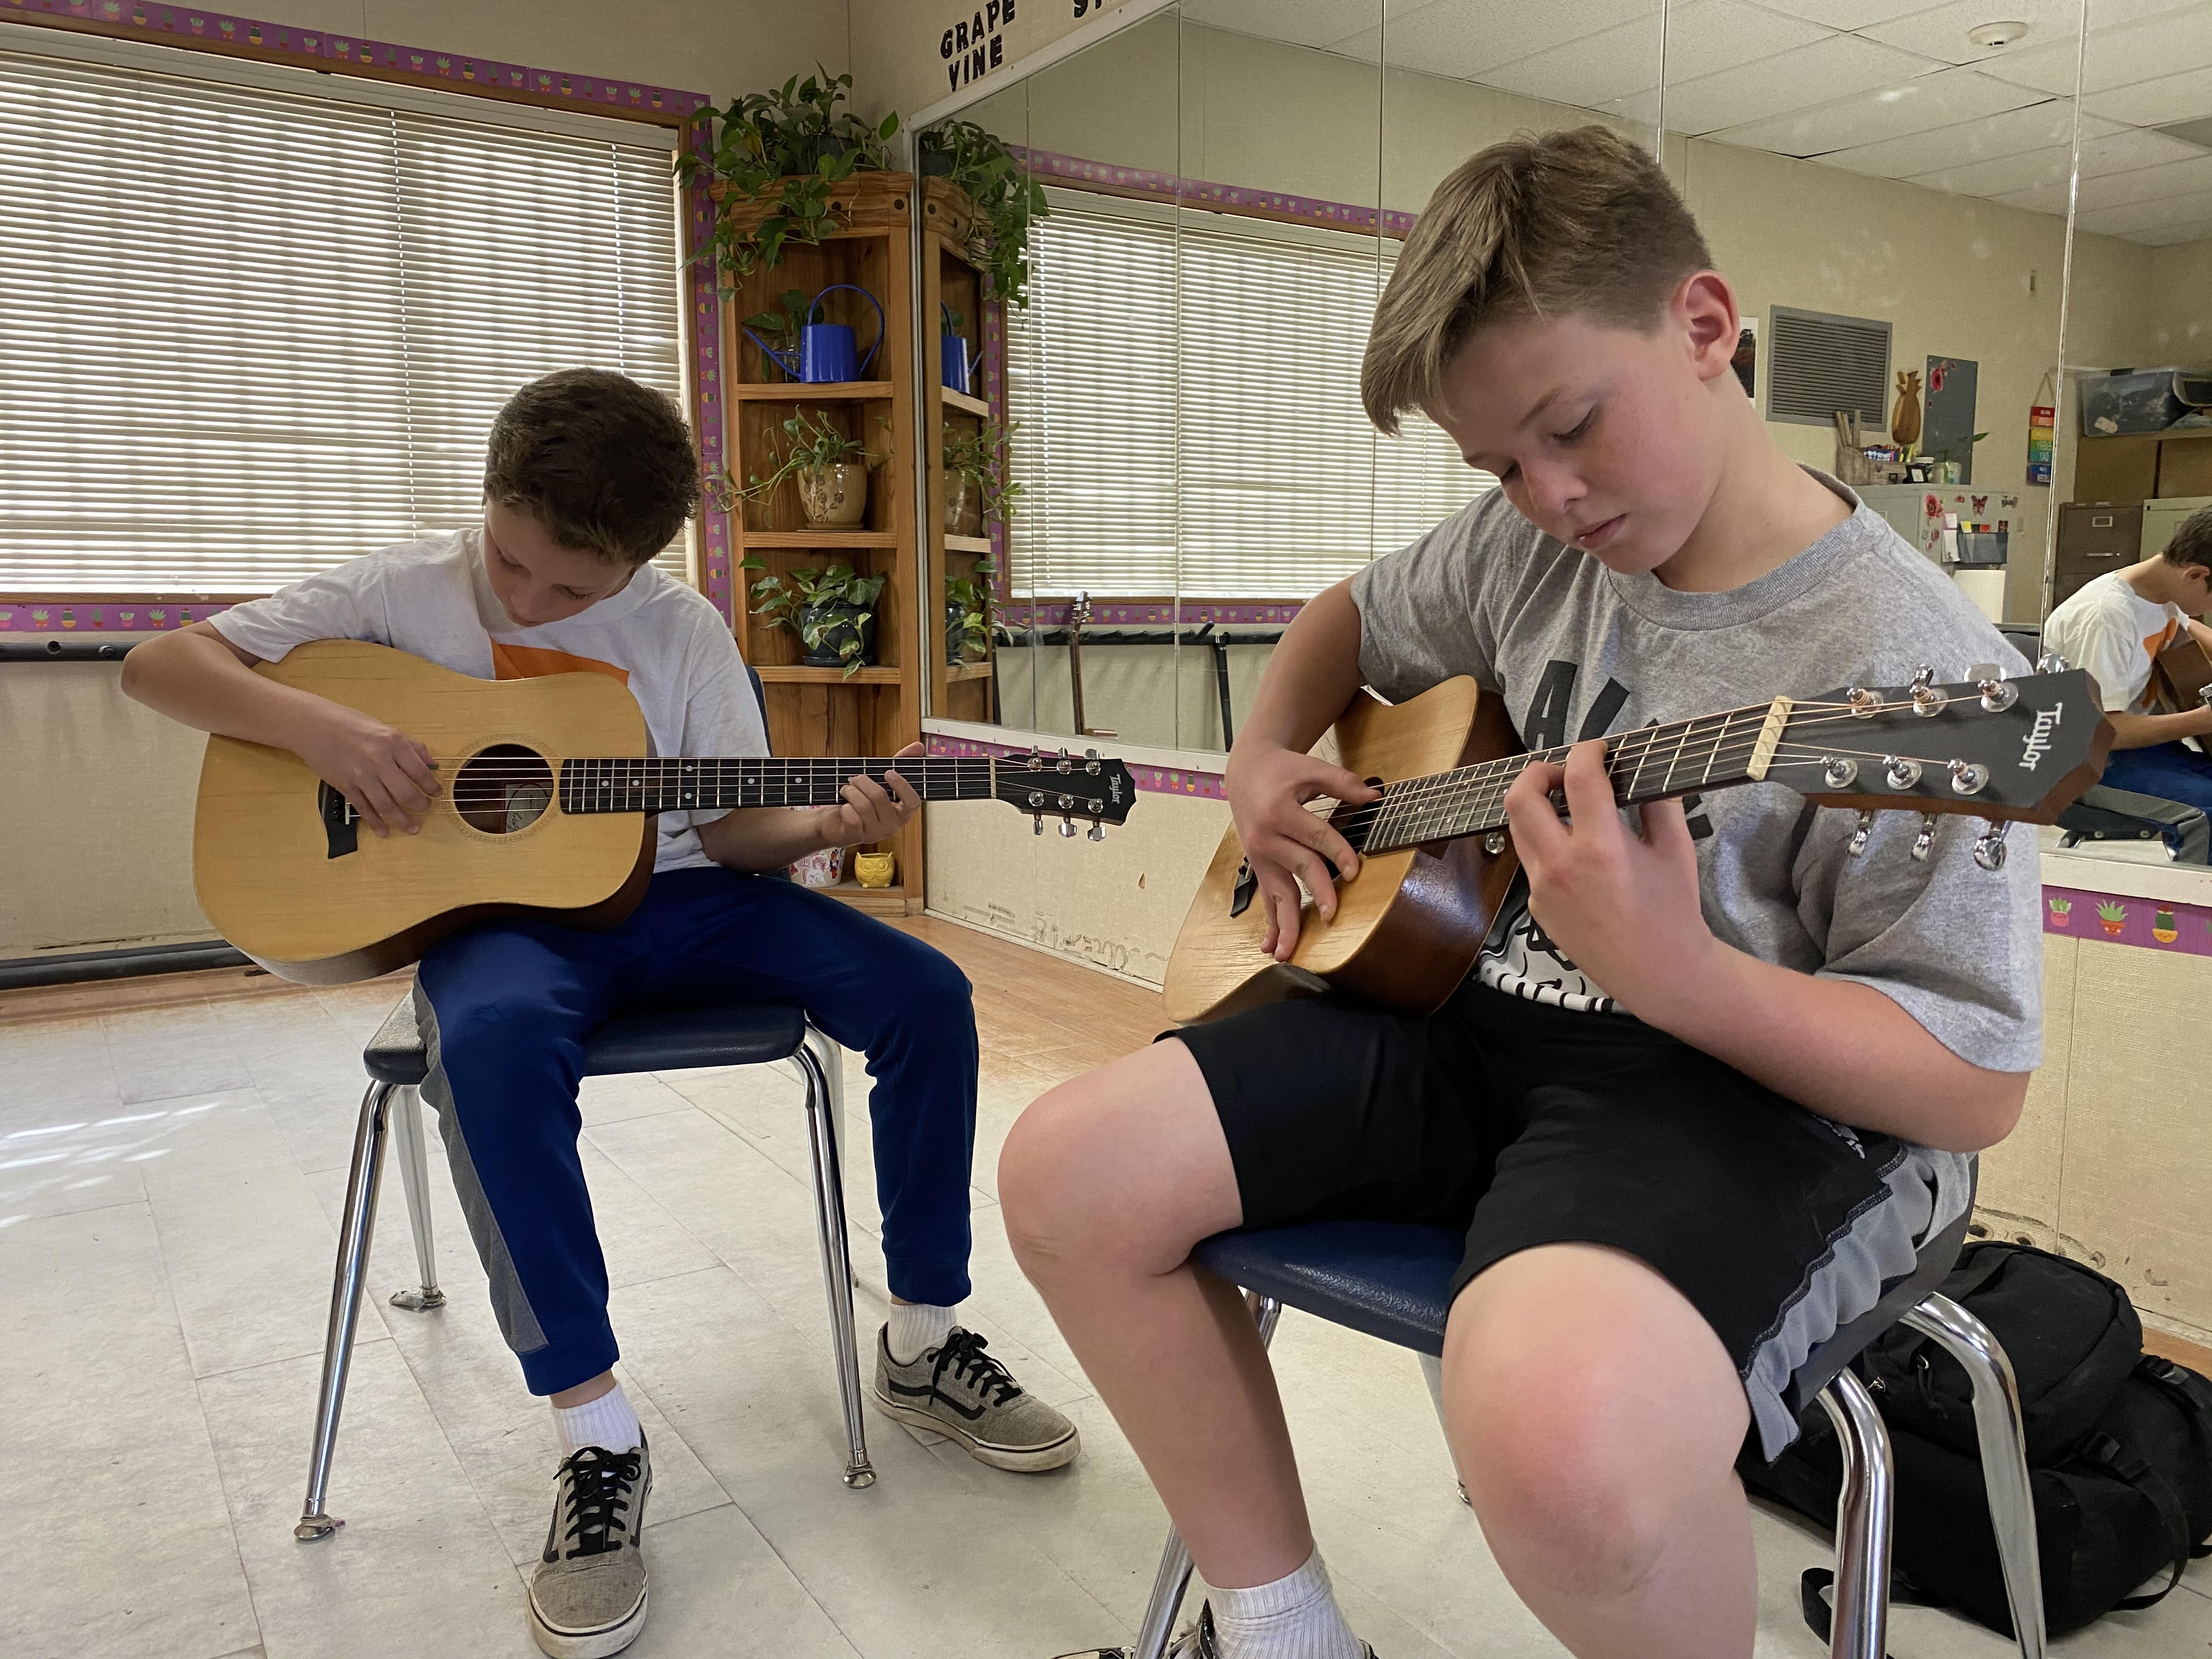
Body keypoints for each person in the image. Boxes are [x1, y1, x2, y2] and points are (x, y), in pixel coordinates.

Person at [1000, 128, 2041, 1659]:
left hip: (1751, 1091)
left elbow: (1973, 1087)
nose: (1546, 497)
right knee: (1067, 1175)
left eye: (1572, 428)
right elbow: (1351, 616)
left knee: (1561, 1438)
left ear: (1703, 327)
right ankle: (1285, 1636)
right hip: (1470, 1004)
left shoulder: (1923, 672)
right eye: (1499, 465)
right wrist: (1263, 758)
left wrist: (1677, 973)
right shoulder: (1526, 548)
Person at [122, 369, 1077, 1659]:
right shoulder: (391, 593)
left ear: (642, 561)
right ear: (491, 504)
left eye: (575, 594)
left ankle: (922, 1337)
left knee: (927, 994)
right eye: (515, 566)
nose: (531, 602)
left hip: (690, 903)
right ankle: (596, 1433)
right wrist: (329, 732)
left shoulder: (680, 630)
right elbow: (160, 666)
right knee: (497, 1040)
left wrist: (829, 822)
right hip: (502, 924)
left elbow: (737, 830)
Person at [2042, 504, 2212, 820]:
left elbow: (2192, 629)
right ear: (2196, 575)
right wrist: (2204, 719)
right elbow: (2103, 732)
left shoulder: (2162, 596)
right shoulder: (2106, 617)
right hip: (2092, 763)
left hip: (2147, 750)